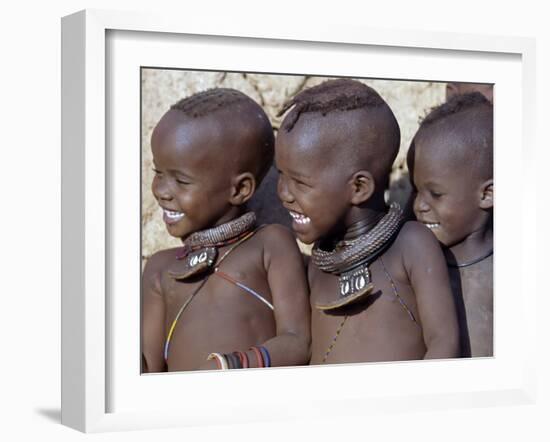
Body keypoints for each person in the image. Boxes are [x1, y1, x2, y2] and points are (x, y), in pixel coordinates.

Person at [275, 79, 459, 364]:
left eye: (299, 182)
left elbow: (443, 342)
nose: (283, 193)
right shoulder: (320, 264)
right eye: (280, 175)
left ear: (359, 187)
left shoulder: (411, 244)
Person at [142, 88, 311, 372]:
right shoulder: (160, 269)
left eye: (181, 181)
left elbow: (298, 341)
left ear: (240, 189)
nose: (161, 191)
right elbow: (148, 368)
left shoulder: (269, 245)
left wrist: (233, 366)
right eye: (158, 172)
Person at [408, 92, 493, 357]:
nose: (419, 206)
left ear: (487, 194)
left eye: (435, 194)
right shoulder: (412, 263)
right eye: (416, 190)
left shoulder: (518, 272)